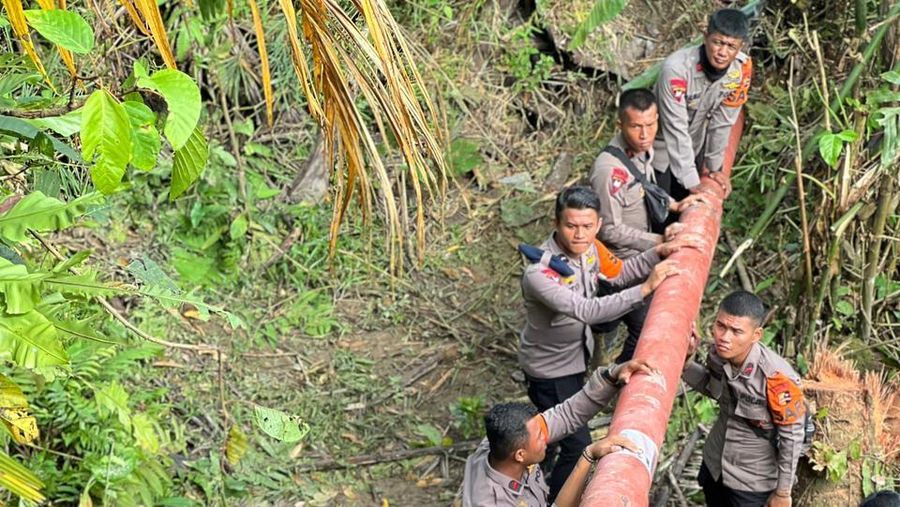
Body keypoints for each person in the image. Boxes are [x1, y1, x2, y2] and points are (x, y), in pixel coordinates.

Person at [519, 185, 697, 500]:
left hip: (574, 359)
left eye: (587, 226)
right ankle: (555, 500)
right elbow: (587, 310)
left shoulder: (593, 248)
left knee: (558, 435)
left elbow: (621, 271)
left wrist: (658, 252)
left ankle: (538, 476)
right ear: (557, 223)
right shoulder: (540, 273)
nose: (579, 234)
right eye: (571, 226)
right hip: (550, 371)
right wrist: (646, 289)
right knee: (576, 446)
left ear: (599, 224)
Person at [589, 88, 708, 362]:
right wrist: (658, 242)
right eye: (636, 127)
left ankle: (612, 375)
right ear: (620, 125)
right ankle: (605, 372)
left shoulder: (642, 151)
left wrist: (673, 205)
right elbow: (607, 229)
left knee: (639, 325)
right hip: (619, 264)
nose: (645, 134)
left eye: (651, 124)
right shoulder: (608, 170)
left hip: (641, 257)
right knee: (616, 324)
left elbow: (646, 186)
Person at [460, 359, 653, 507]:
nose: (546, 436)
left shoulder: (501, 442)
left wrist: (611, 377)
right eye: (539, 436)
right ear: (520, 455)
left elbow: (565, 415)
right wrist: (587, 457)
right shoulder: (491, 501)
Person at [683, 291, 806, 507]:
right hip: (715, 465)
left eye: (736, 331)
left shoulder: (777, 378)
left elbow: (792, 437)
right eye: (720, 326)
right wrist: (683, 362)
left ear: (756, 335)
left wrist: (783, 493)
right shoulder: (718, 355)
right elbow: (713, 390)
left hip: (751, 481)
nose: (724, 337)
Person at [652, 8, 752, 200]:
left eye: (731, 46)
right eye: (718, 42)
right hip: (658, 153)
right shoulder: (677, 70)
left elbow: (723, 122)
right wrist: (693, 182)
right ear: (705, 36)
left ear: (741, 47)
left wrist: (715, 170)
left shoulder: (740, 71)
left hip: (693, 148)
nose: (722, 52)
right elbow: (675, 127)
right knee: (660, 212)